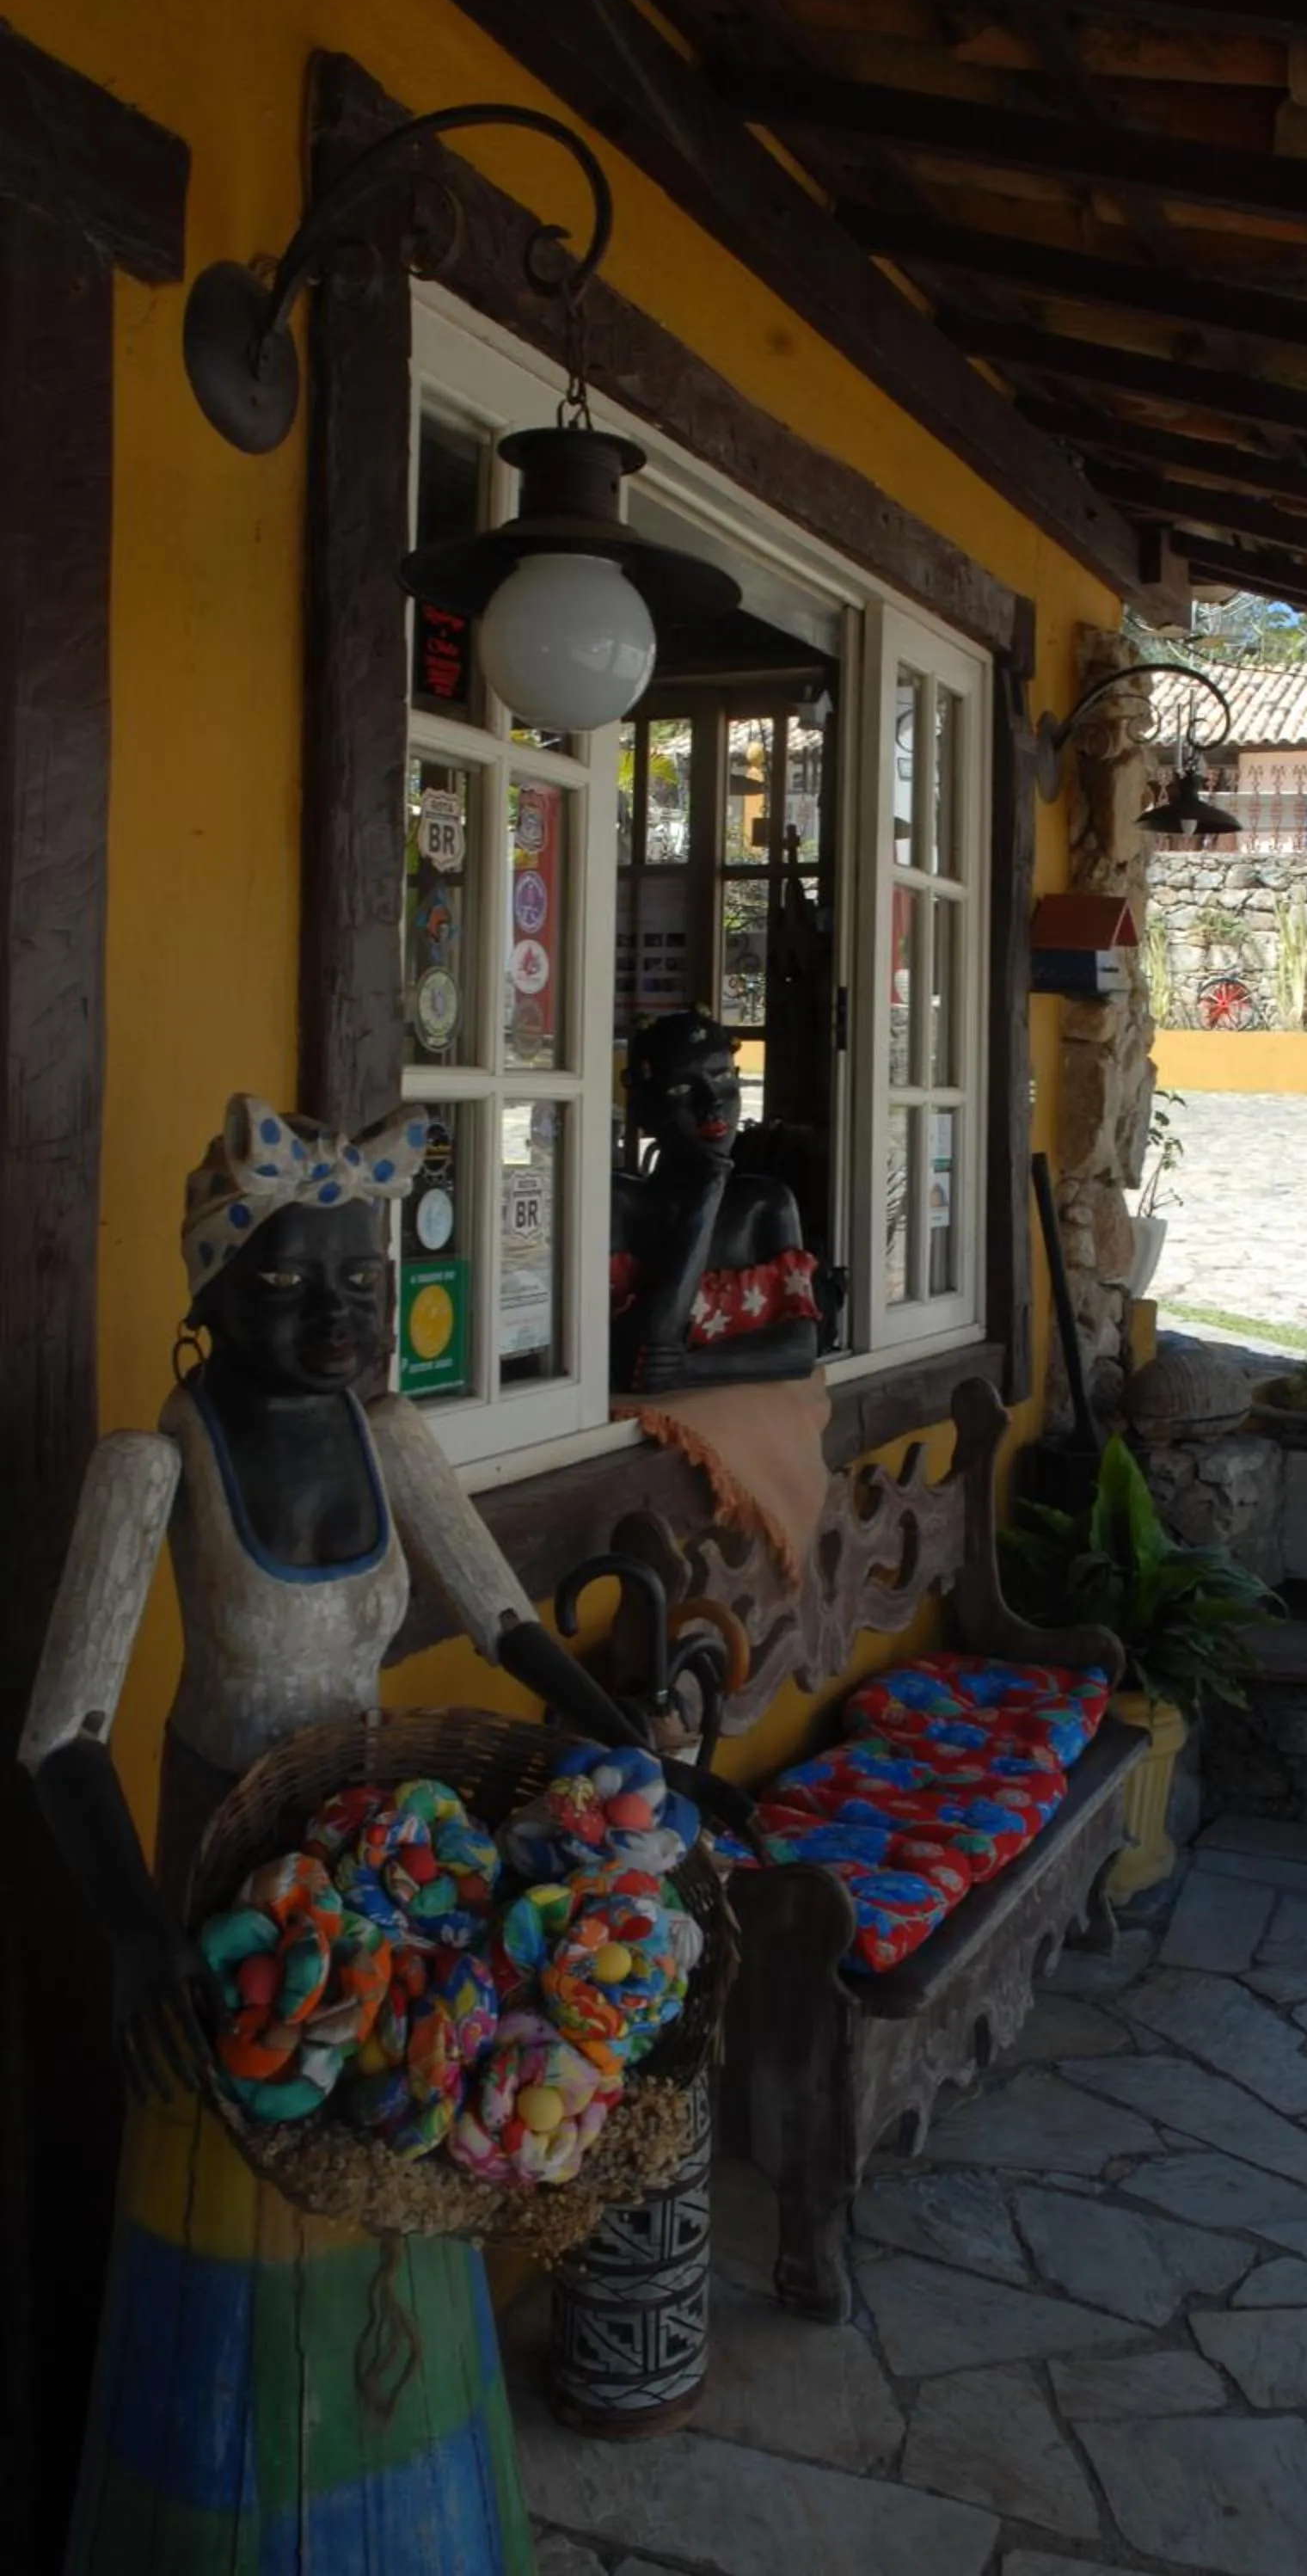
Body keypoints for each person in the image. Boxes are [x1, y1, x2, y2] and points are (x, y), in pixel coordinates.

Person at [20, 1093, 647, 2574]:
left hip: (389, 1880)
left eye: (361, 1282)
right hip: (219, 1898)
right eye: (287, 1284)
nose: (337, 1313)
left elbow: (500, 1615)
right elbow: (61, 1728)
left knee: (396, 2176)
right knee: (233, 2243)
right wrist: (131, 1927)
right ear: (211, 1292)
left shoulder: (390, 1434)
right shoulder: (151, 1466)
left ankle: (416, 2525)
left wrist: (646, 1767)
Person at [611, 1009, 820, 1395]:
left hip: (757, 1433)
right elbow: (646, 1351)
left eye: (723, 1080)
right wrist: (708, 1190)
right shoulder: (622, 1204)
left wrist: (691, 1367)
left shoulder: (766, 1204)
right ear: (645, 1111)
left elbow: (801, 1347)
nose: (712, 1107)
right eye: (682, 1091)